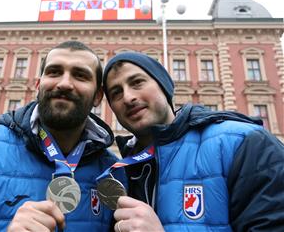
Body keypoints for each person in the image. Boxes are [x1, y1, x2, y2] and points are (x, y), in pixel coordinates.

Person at [0, 41, 126, 231]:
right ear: (38, 85)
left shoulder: (115, 174)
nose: (64, 83)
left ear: (98, 96)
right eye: (54, 72)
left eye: (80, 75)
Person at [102, 51, 284, 232]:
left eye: (137, 82)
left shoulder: (245, 144)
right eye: (116, 93)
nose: (127, 97)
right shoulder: (116, 171)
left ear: (164, 86)